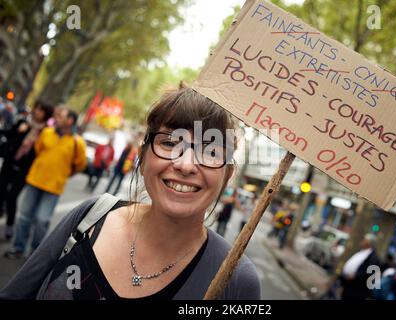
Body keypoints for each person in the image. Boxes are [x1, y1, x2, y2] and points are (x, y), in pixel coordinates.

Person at [0, 86, 260, 300]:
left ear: (227, 174)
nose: (185, 164)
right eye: (170, 143)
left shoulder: (235, 281)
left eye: (210, 151)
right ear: (143, 155)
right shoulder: (89, 218)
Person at [3, 106, 87, 259]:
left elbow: (80, 165)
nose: (57, 118)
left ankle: (35, 254)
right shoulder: (47, 133)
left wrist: (64, 174)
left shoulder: (78, 143)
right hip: (35, 180)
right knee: (24, 217)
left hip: (54, 187)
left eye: (62, 116)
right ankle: (18, 247)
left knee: (42, 220)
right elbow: (38, 149)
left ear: (70, 121)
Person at [0, 101, 54, 240]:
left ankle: (10, 225)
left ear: (46, 115)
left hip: (25, 169)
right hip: (10, 162)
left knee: (12, 197)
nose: (37, 111)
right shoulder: (22, 122)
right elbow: (8, 135)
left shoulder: (46, 132)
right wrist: (19, 131)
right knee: (1, 192)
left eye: (41, 110)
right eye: (36, 108)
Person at [340, 233, 380, 300]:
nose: (362, 241)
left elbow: (370, 275)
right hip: (349, 285)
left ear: (369, 243)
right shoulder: (362, 252)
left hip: (356, 290)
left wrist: (355, 276)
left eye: (364, 240)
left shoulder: (374, 258)